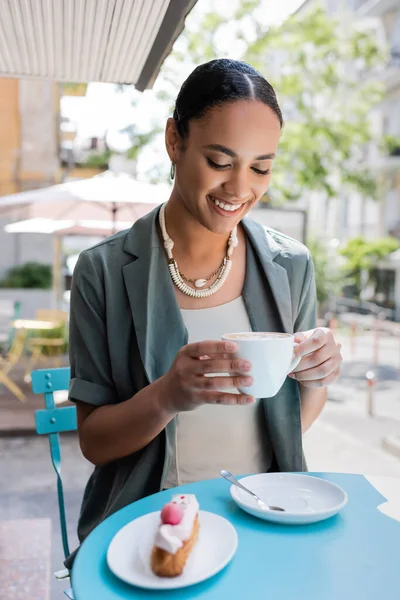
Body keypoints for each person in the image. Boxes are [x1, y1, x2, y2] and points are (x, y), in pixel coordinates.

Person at [65, 58, 342, 568]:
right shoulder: (102, 272)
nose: (240, 189)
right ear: (175, 140)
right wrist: (168, 394)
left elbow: (293, 417)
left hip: (264, 512)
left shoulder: (290, 265)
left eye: (261, 167)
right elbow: (95, 442)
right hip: (150, 526)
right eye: (220, 161)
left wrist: (317, 377)